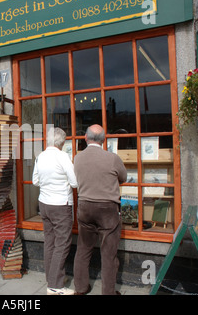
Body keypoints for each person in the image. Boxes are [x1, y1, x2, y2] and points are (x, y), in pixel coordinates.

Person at [73, 124, 127, 295]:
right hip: (107, 209)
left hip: (85, 206)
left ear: (85, 138)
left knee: (83, 249)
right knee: (108, 254)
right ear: (104, 140)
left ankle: (81, 288)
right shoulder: (112, 158)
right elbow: (123, 178)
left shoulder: (77, 158)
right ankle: (108, 292)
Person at [32, 127, 78, 295]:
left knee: (49, 242)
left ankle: (51, 278)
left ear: (48, 140)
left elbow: (35, 181)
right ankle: (55, 286)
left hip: (44, 203)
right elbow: (74, 183)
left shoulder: (40, 156)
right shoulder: (63, 156)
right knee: (62, 244)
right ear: (62, 142)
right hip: (60, 205)